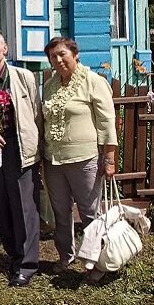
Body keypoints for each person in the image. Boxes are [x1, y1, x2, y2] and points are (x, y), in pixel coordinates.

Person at [42, 37, 117, 279]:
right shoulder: (50, 84)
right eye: (53, 57)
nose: (58, 60)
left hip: (84, 159)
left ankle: (97, 261)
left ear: (75, 54)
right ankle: (66, 256)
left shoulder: (94, 82)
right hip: (53, 160)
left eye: (62, 54)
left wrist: (109, 158)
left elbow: (107, 122)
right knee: (60, 212)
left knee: (89, 213)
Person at [0, 32, 43, 287]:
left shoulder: (22, 76)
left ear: (5, 47)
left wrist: (37, 148)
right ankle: (13, 255)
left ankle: (27, 264)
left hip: (19, 147)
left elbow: (36, 114)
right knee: (2, 205)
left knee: (24, 205)